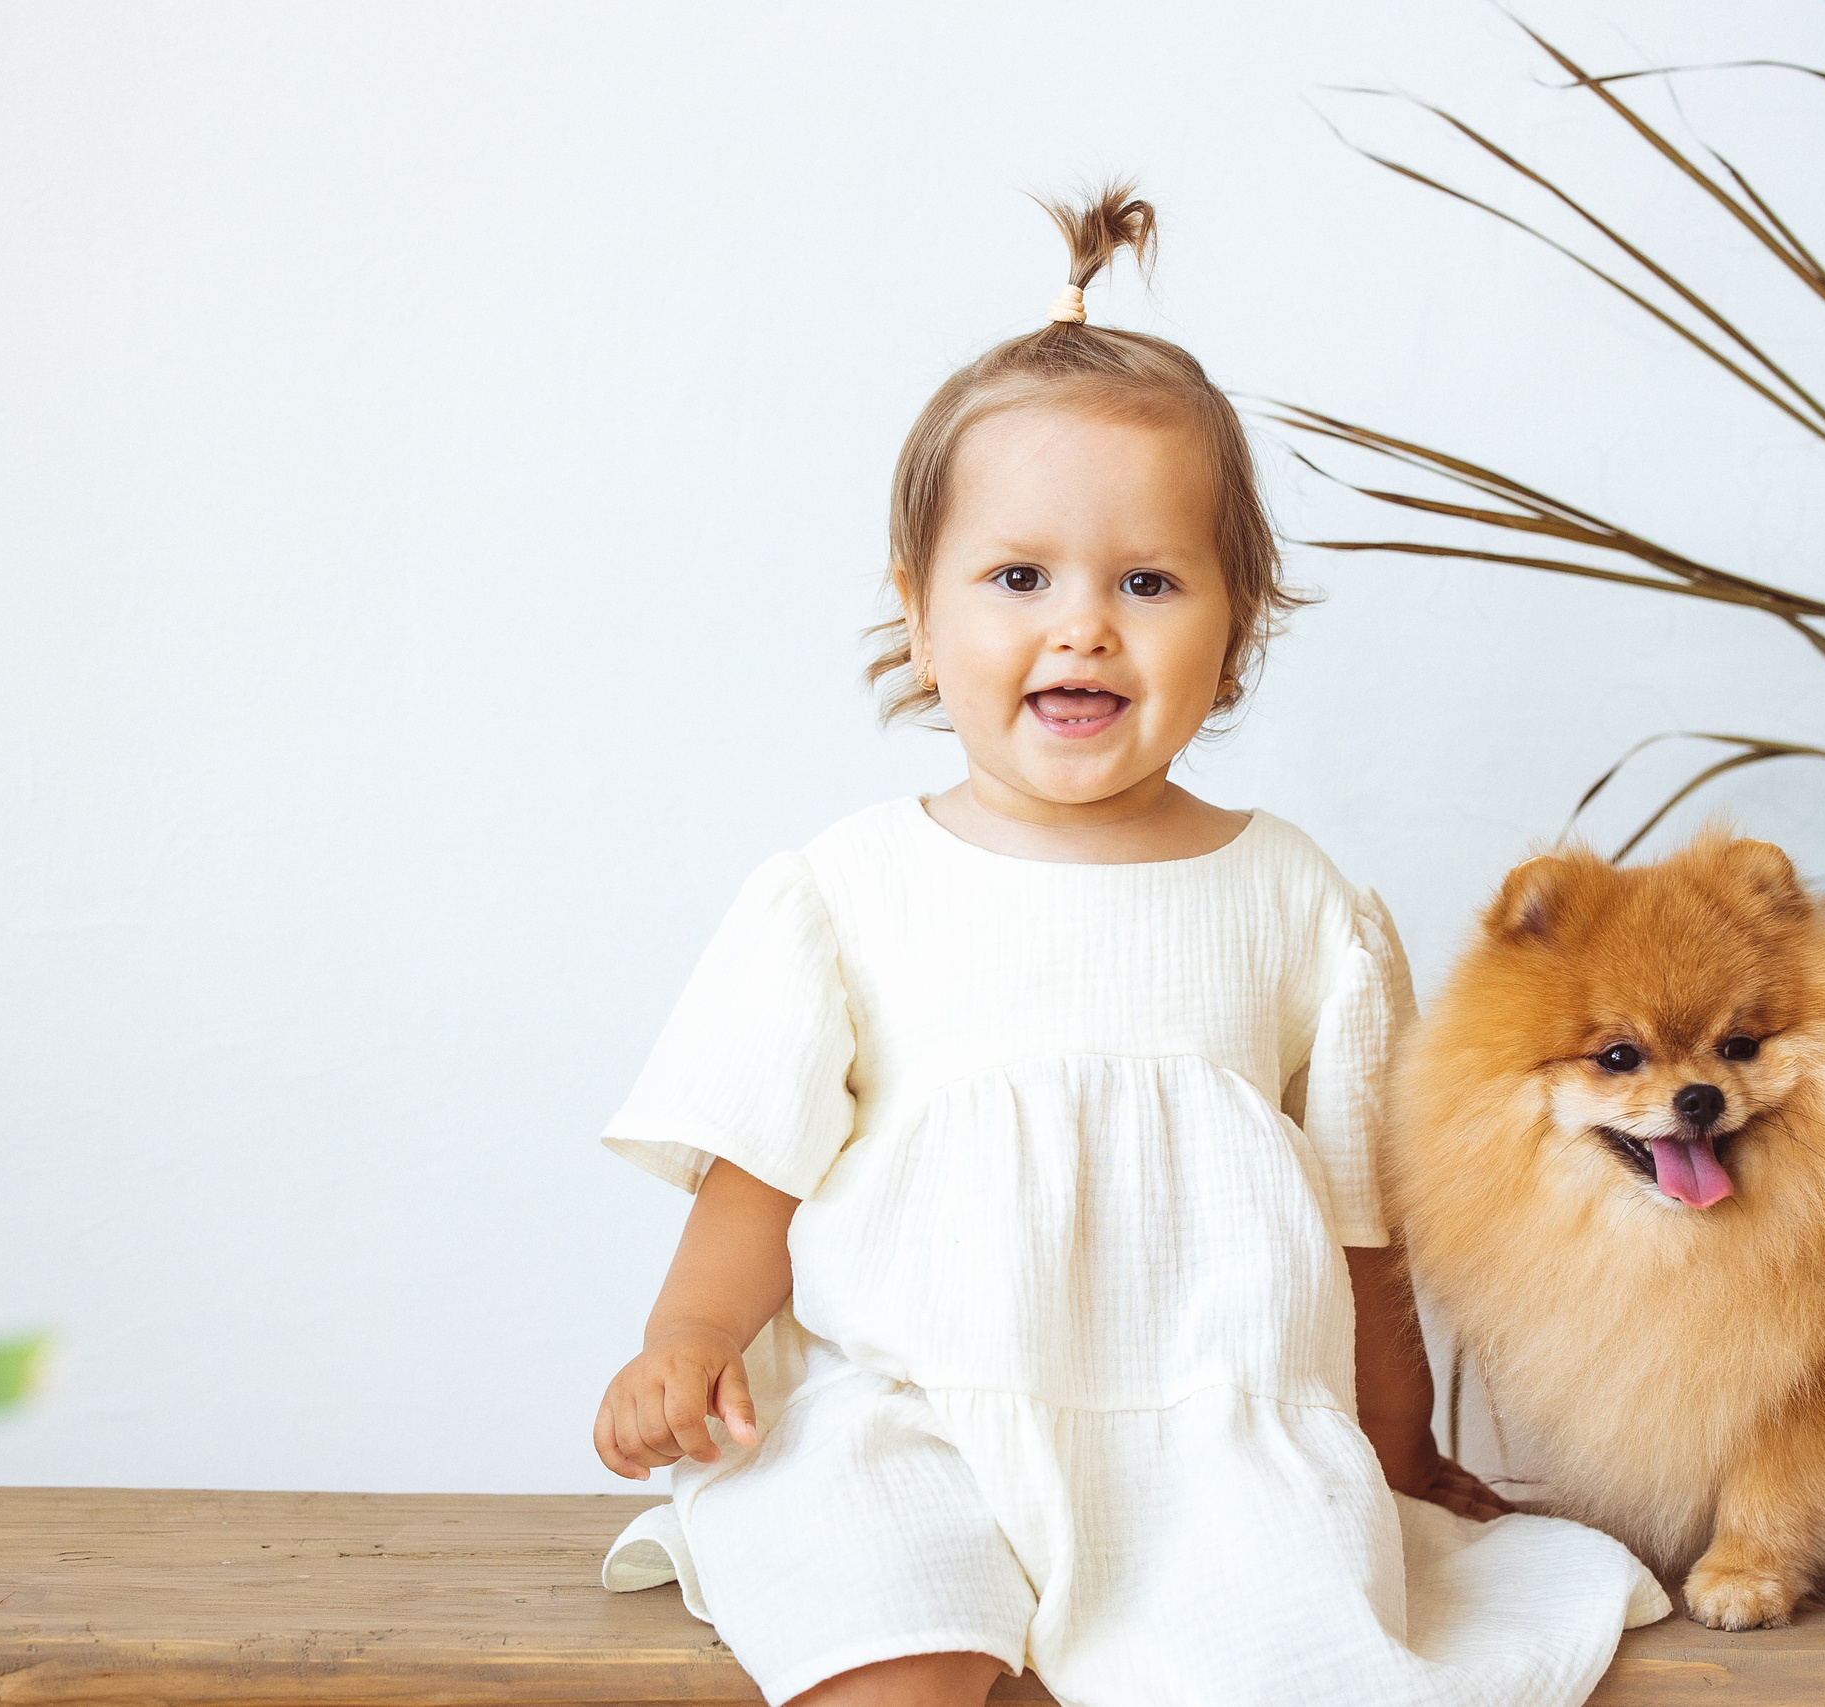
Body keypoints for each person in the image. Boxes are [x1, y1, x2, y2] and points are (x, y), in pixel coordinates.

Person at [592, 184, 1660, 1707]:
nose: (1083, 628)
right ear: (917, 612)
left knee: (1281, 1666)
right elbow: (756, 1170)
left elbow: (1366, 1231)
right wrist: (685, 1340)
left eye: (1146, 583)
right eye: (1019, 578)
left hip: (1214, 1455)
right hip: (914, 1424)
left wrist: (1404, 1448)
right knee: (885, 1649)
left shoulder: (1297, 900)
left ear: (1237, 625)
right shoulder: (845, 890)